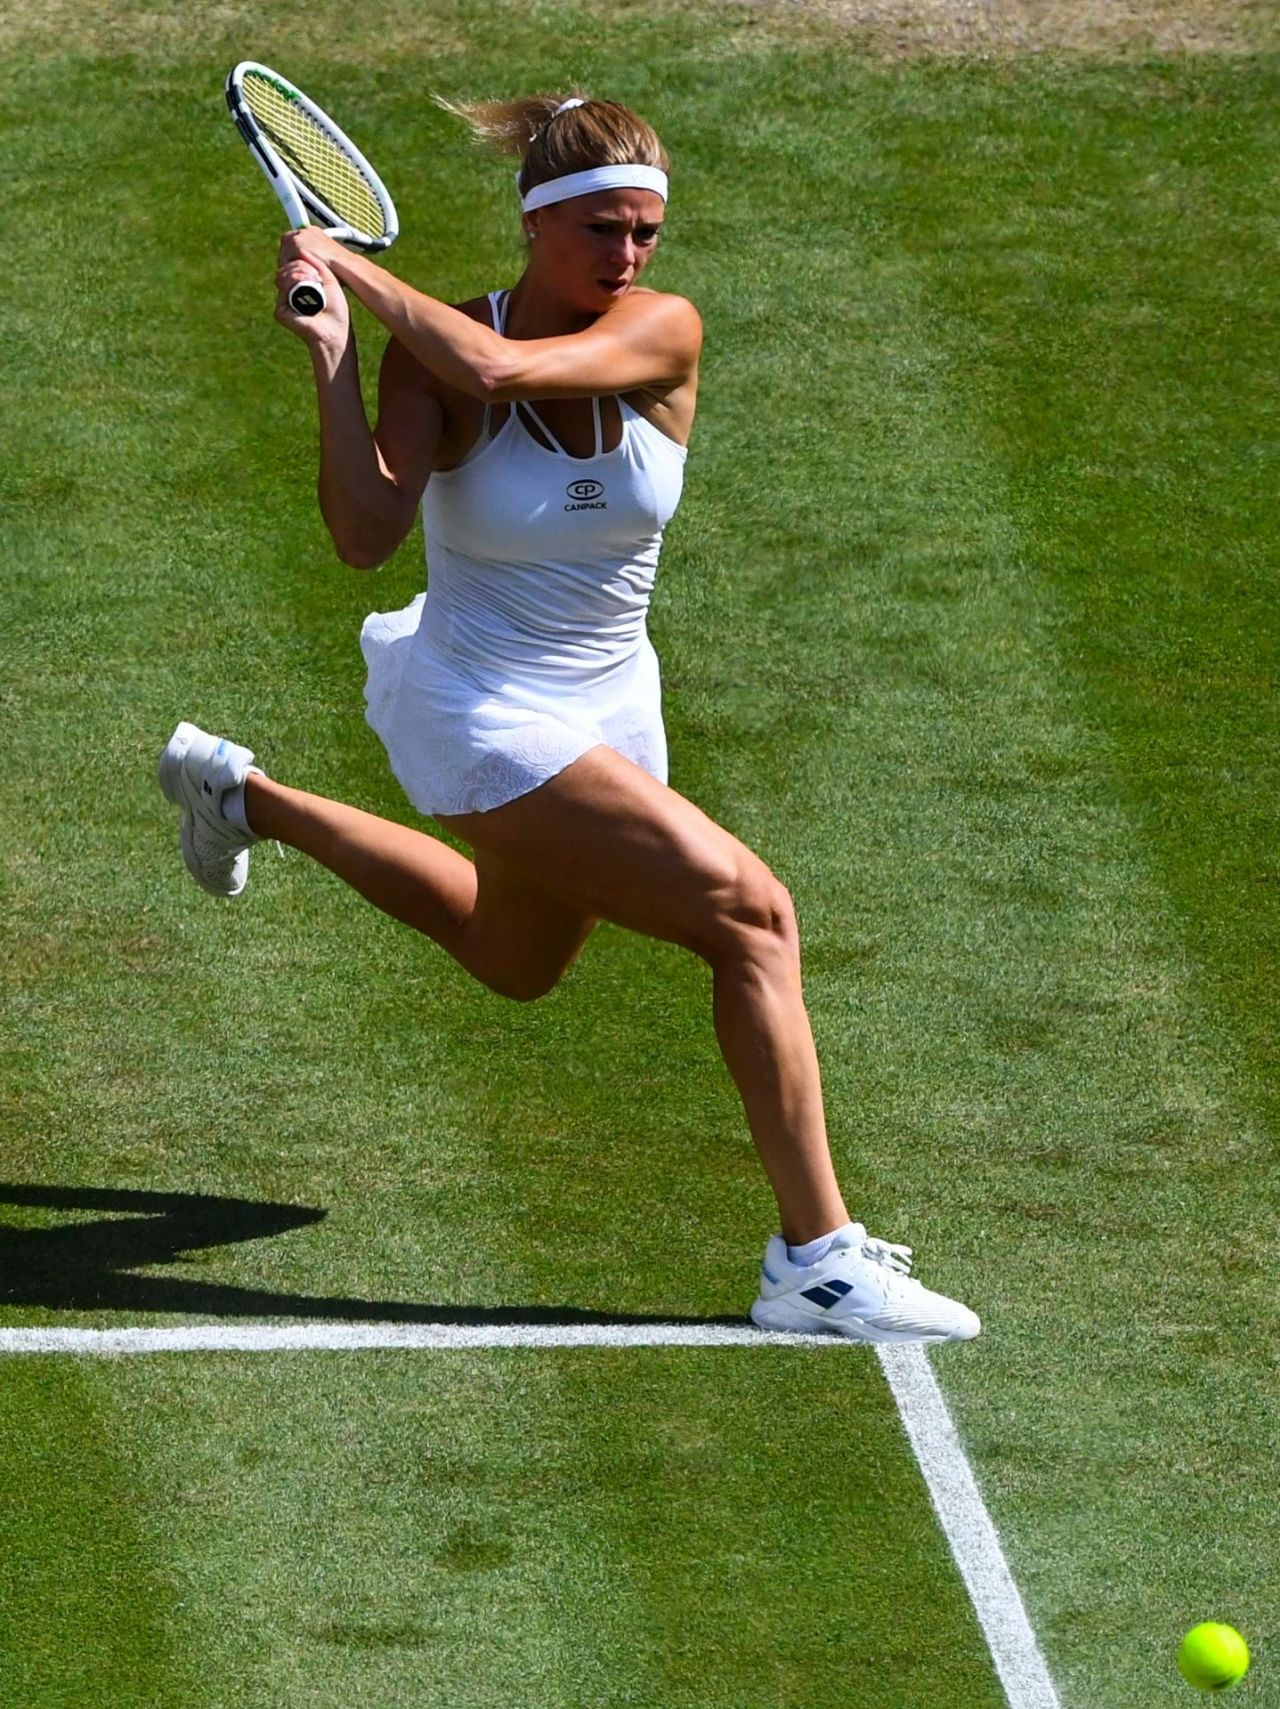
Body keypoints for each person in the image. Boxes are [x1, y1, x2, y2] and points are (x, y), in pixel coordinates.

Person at [157, 92, 979, 1345]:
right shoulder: (428, 355)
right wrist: (328, 360)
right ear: (537, 227)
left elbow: (497, 367)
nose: (629, 257)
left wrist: (355, 277)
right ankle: (815, 1258)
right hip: (480, 703)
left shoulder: (658, 331)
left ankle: (239, 793)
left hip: (609, 701)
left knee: (514, 958)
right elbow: (364, 538)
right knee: (752, 915)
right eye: (602, 230)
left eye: (644, 232)